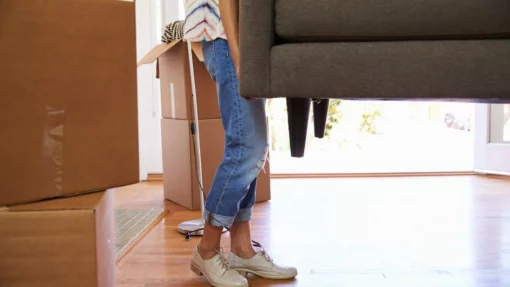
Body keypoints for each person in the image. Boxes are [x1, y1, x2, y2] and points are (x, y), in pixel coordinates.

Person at [183, 1, 298, 286]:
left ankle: (242, 248)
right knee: (247, 148)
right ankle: (207, 250)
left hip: (231, 36)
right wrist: (239, 56)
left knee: (249, 143)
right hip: (225, 38)